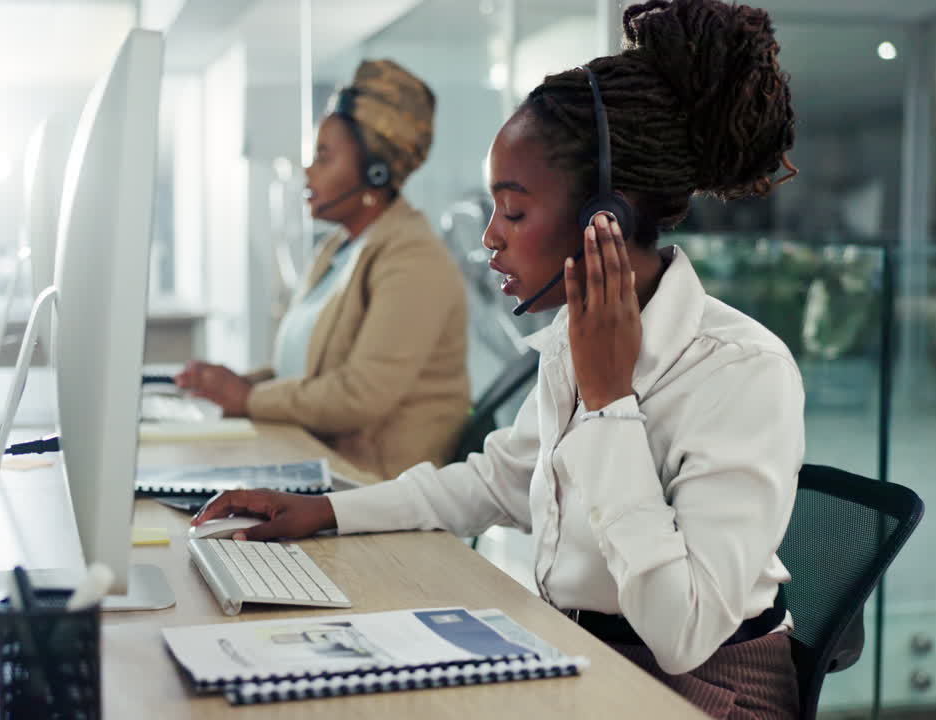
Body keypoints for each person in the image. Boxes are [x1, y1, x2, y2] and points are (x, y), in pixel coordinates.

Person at [192, 1, 802, 716]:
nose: (489, 238)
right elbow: (497, 482)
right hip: (582, 659)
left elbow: (682, 632)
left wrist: (610, 406)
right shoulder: (577, 343)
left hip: (703, 694)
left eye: (513, 212)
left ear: (604, 217)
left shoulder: (739, 371)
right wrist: (326, 510)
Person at [176, 59, 470, 480]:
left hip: (378, 487)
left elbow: (359, 396)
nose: (308, 172)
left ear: (376, 172)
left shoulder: (414, 260)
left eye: (324, 157)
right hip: (324, 468)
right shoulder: (339, 247)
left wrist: (248, 399)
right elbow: (306, 373)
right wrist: (232, 383)